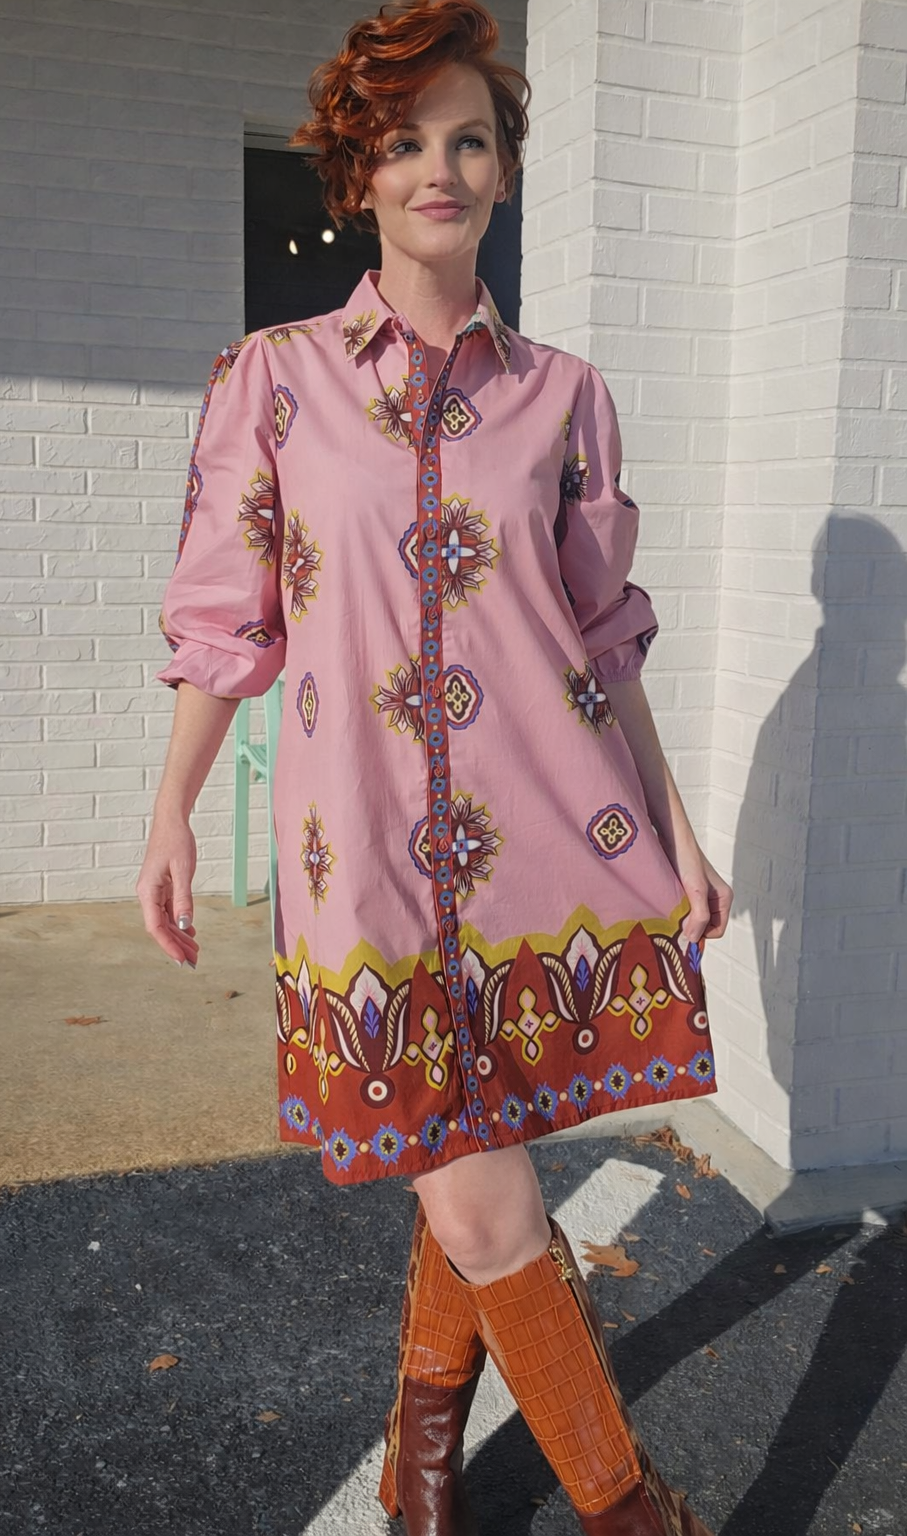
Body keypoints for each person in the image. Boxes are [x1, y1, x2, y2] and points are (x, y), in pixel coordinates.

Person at [136, 2, 734, 1531]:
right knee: (473, 1181)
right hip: (363, 861)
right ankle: (630, 1509)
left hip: (551, 834)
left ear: (505, 168)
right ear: (358, 172)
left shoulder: (567, 398)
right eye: (405, 142)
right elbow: (227, 617)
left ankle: (420, 1477)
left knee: (468, 1173)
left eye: (470, 137)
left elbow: (602, 638)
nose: (440, 167)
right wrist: (171, 811)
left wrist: (676, 824)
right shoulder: (272, 380)